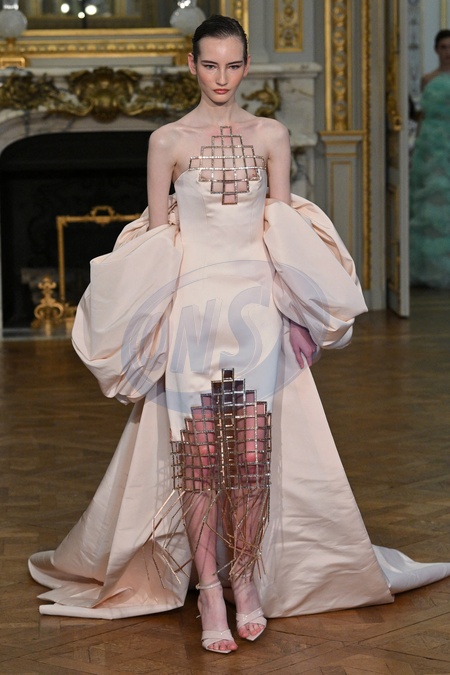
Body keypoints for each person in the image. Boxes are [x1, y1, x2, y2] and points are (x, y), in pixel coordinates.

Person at [29, 15, 450, 655]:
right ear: (191, 65)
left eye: (232, 65)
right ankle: (208, 592)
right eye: (210, 64)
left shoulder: (271, 135)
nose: (221, 77)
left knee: (251, 458)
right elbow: (158, 241)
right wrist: (150, 328)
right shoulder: (167, 141)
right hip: (192, 313)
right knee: (199, 461)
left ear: (246, 66)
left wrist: (299, 316)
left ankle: (245, 582)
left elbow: (285, 233)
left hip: (256, 312)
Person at [410, 29, 450, 288]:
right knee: (433, 203)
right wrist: (418, 146)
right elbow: (423, 115)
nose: (448, 52)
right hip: (431, 146)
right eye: (443, 47)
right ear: (436, 50)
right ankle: (431, 268)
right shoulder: (428, 79)